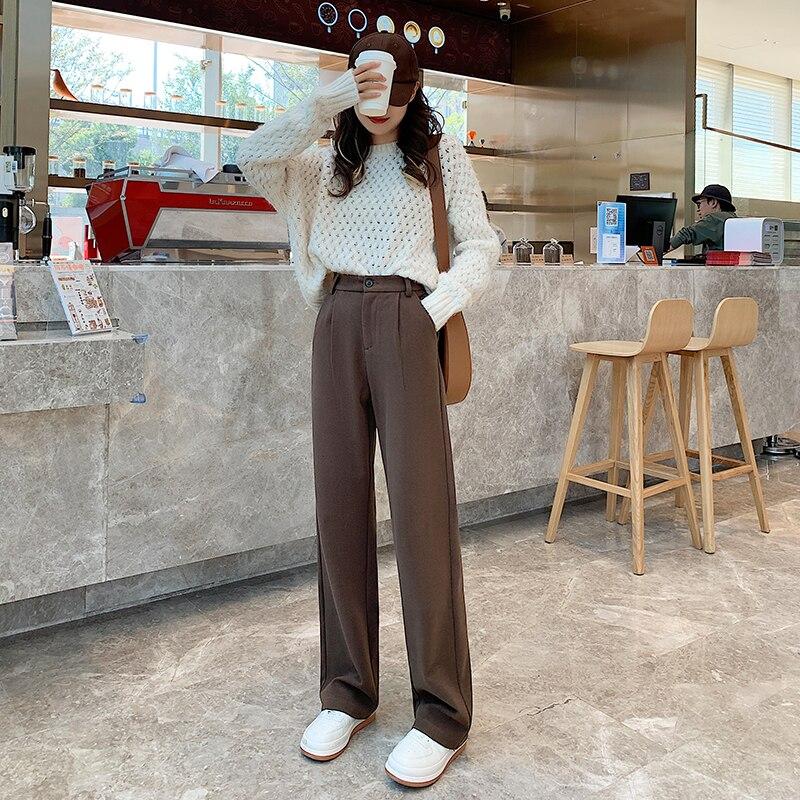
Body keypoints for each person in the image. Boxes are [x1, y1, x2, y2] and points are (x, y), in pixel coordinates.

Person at [237, 32, 499, 789]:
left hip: (408, 317)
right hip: (336, 321)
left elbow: (481, 244)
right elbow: (253, 156)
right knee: (339, 509)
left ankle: (442, 713)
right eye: (367, 86)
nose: (380, 104)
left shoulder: (438, 156)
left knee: (423, 515)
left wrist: (434, 309)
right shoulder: (325, 163)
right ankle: (347, 691)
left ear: (414, 89)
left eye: (393, 87)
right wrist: (327, 102)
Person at [668, 183, 737, 253]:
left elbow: (686, 234)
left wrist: (663, 249)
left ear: (713, 203)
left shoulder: (714, 219)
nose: (698, 210)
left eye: (699, 204)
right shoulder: (732, 219)